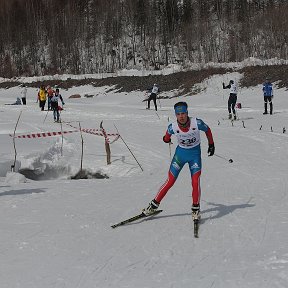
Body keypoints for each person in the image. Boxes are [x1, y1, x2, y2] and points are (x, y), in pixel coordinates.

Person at [142, 101, 215, 220]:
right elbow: (166, 137)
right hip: (180, 156)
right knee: (170, 181)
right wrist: (166, 139)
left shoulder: (197, 123)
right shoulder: (172, 127)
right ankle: (153, 206)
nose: (181, 116)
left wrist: (211, 144)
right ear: (175, 115)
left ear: (187, 113)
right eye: (178, 114)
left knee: (195, 181)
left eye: (183, 113)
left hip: (194, 156)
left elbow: (208, 130)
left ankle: (195, 209)